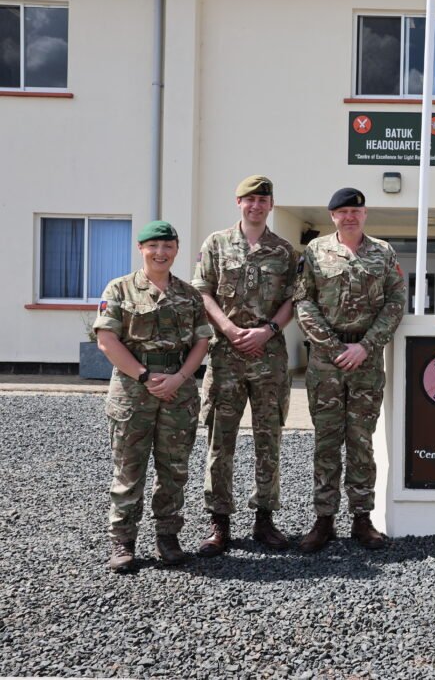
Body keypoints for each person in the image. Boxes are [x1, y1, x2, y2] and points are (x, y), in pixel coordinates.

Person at [94, 220, 213, 572]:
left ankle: (168, 537)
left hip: (178, 389)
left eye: (168, 246)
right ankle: (123, 541)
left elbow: (202, 341)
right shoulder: (119, 289)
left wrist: (178, 378)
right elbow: (107, 341)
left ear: (176, 250)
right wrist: (145, 376)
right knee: (129, 467)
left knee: (174, 468)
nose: (160, 253)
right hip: (133, 390)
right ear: (141, 249)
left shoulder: (189, 295)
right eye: (153, 246)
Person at [293, 187, 406, 552]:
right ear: (333, 217)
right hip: (326, 362)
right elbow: (303, 300)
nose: (349, 217)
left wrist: (365, 346)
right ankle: (323, 520)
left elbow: (395, 302)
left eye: (355, 211)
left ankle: (362, 519)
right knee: (326, 441)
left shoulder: (383, 253)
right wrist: (333, 346)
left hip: (366, 361)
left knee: (361, 441)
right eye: (342, 212)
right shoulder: (315, 252)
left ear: (365, 214)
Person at [192, 175, 299, 556]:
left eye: (262, 200)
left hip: (268, 357)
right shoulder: (217, 244)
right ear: (238, 202)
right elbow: (201, 291)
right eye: (249, 199)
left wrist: (268, 331)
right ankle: (218, 522)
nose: (256, 206)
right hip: (225, 356)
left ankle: (264, 520)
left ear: (271, 205)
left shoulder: (284, 251)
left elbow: (293, 299)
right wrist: (229, 327)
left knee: (268, 440)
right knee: (220, 441)